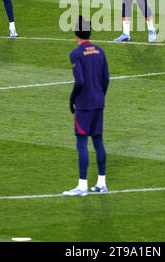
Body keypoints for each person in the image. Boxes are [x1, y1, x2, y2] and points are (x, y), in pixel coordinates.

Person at [63, 16, 110, 196]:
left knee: (81, 142)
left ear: (76, 33)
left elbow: (80, 80)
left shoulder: (75, 54)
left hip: (84, 104)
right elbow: (106, 78)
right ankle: (101, 183)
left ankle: (82, 186)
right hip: (99, 101)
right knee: (98, 141)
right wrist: (101, 95)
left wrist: (72, 98)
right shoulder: (100, 51)